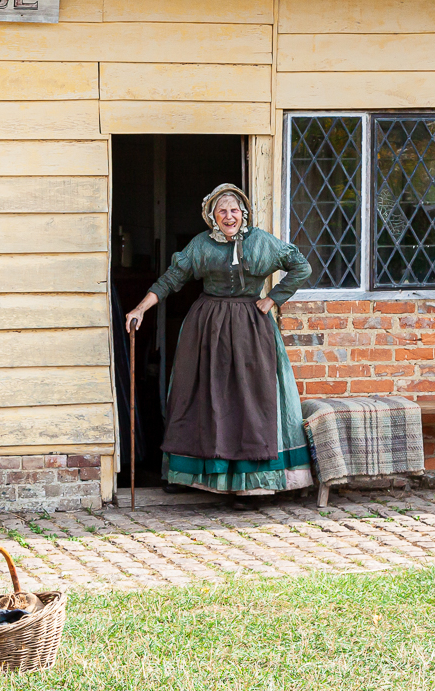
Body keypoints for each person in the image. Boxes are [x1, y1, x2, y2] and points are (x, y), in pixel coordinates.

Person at [124, 184, 313, 499]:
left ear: (244, 213)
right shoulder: (201, 245)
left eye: (234, 210)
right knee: (202, 395)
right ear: (212, 216)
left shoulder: (261, 242)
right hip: (208, 329)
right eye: (222, 211)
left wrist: (272, 299)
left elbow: (301, 266)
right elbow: (171, 279)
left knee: (253, 398)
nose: (230, 216)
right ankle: (200, 475)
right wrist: (140, 308)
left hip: (252, 327)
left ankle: (253, 483)